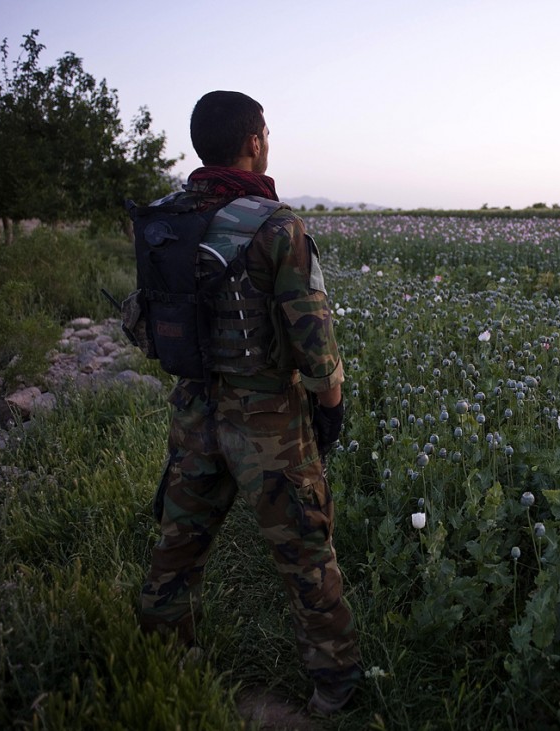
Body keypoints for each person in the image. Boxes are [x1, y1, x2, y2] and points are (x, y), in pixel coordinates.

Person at [137, 90, 361, 716]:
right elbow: (314, 342)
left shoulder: (165, 220)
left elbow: (147, 318)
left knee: (178, 547)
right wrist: (330, 405)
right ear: (255, 141)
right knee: (307, 558)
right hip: (268, 424)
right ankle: (335, 689)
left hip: (193, 411)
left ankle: (161, 666)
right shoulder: (275, 224)